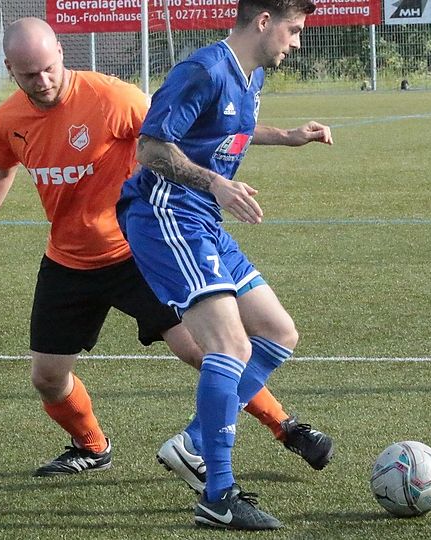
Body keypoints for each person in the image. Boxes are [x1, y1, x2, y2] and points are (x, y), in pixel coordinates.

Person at [0, 17, 330, 481]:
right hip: (68, 262)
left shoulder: (111, 97)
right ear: (9, 70)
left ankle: (284, 425)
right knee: (48, 378)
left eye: (48, 69)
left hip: (137, 252)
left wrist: (283, 136)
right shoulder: (8, 120)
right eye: (29, 74)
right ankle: (92, 447)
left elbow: (189, 130)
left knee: (206, 351)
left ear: (61, 53)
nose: (42, 81)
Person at [116, 0, 333, 530]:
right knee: (230, 346)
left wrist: (288, 136)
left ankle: (194, 440)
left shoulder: (250, 74)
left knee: (278, 332)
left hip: (203, 218)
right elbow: (151, 148)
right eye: (293, 30)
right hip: (166, 214)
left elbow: (228, 128)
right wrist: (216, 182)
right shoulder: (203, 70)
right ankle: (218, 497)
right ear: (263, 22)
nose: (297, 42)